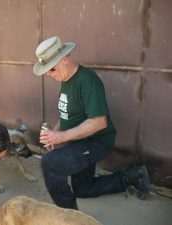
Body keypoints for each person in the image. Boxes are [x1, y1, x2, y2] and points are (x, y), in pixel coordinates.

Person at [33, 36, 150, 210]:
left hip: (96, 142)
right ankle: (133, 176)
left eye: (51, 69)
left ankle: (70, 217)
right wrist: (54, 135)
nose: (49, 74)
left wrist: (62, 136)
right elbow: (67, 114)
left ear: (64, 60)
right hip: (78, 142)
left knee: (50, 163)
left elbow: (99, 122)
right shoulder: (65, 79)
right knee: (82, 189)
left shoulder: (88, 81)